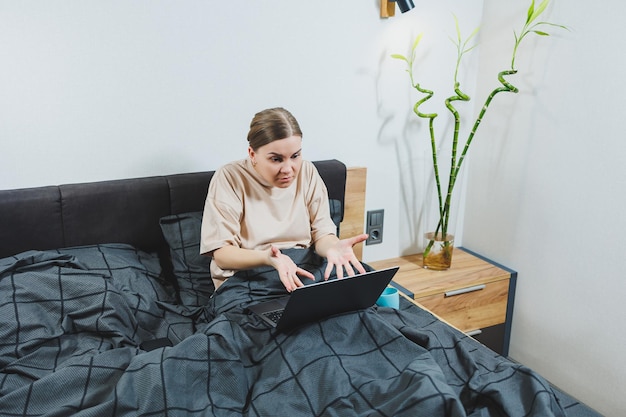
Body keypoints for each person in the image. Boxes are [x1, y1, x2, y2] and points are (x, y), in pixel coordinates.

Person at [200, 107, 368, 292]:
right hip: (249, 279)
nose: (288, 169)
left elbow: (322, 234)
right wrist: (268, 259)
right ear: (252, 154)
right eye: (276, 159)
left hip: (303, 269)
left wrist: (333, 247)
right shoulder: (230, 177)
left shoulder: (307, 172)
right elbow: (222, 254)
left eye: (295, 156)